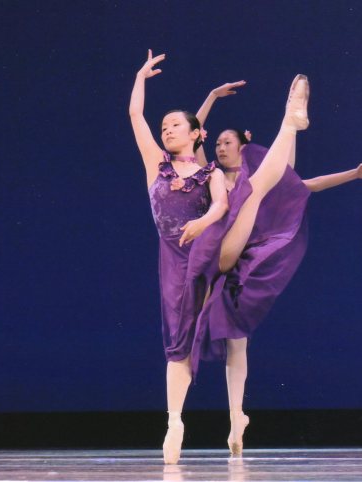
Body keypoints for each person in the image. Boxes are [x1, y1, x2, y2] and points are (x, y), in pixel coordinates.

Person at [192, 81, 362, 456]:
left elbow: (306, 186)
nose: (220, 148)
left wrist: (353, 173)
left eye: (227, 143)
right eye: (218, 144)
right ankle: (289, 123)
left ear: (244, 145)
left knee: (236, 341)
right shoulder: (211, 176)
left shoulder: (252, 178)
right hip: (217, 255)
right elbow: (193, 135)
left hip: (244, 262)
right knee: (266, 182)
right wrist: (211, 97)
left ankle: (236, 418)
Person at [128, 50, 229, 464]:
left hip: (205, 255)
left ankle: (235, 413)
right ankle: (175, 422)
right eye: (164, 126)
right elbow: (136, 115)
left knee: (215, 331)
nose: (167, 130)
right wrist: (140, 77)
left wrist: (202, 222)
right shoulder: (157, 165)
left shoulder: (211, 173)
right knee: (178, 342)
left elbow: (221, 205)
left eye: (174, 125)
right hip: (172, 258)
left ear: (195, 133)